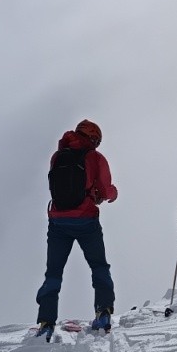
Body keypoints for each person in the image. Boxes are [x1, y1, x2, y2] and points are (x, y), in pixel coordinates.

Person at [35, 119, 119, 339]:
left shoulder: (57, 156)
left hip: (58, 222)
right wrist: (112, 194)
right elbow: (105, 189)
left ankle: (46, 323)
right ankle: (103, 313)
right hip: (86, 220)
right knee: (99, 266)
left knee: (53, 273)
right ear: (93, 138)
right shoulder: (95, 157)